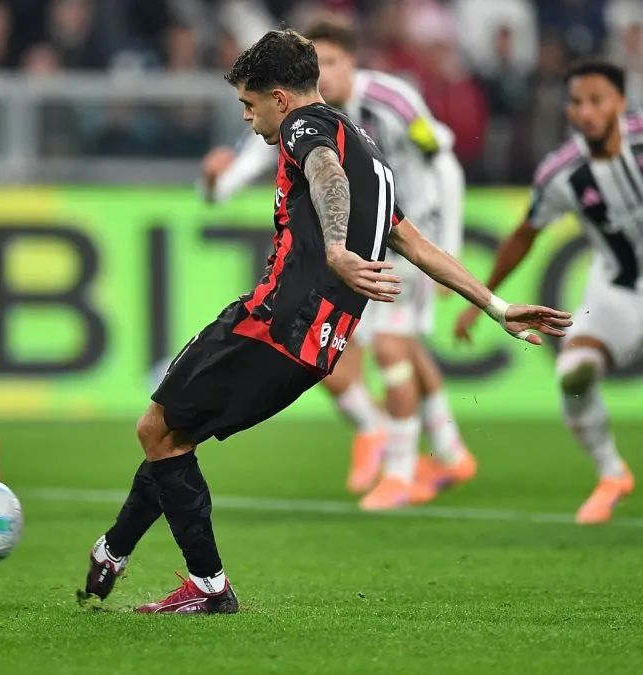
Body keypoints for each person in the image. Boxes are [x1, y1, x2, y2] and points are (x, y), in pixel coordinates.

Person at [81, 29, 570, 615]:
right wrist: (496, 306)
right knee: (171, 436)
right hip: (318, 346)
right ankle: (113, 551)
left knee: (154, 426)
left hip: (276, 319)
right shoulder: (371, 152)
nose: (249, 119)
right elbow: (416, 244)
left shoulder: (305, 128)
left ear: (280, 99)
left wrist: (336, 247)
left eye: (249, 105)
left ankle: (208, 587)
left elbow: (324, 173)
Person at [455, 61, 643, 525]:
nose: (586, 112)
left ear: (620, 102)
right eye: (577, 102)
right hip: (622, 293)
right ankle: (612, 473)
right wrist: (482, 301)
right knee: (573, 374)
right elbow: (524, 234)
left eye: (597, 100)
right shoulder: (560, 173)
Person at [199, 20, 474, 510]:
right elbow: (240, 170)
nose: (324, 74)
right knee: (397, 350)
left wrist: (448, 244)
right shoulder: (296, 116)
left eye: (333, 63)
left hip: (406, 234)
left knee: (391, 346)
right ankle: (449, 452)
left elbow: (445, 163)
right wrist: (214, 184)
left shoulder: (393, 100)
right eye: (317, 63)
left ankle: (399, 469)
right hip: (358, 242)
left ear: (352, 63)